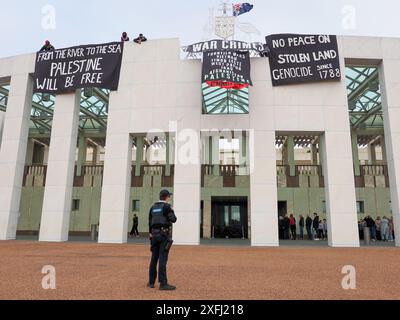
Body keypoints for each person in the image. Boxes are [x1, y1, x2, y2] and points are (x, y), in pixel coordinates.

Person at [148, 189, 177, 291]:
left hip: (154, 236)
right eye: (169, 196)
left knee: (153, 259)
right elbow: (174, 219)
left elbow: (149, 223)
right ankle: (163, 284)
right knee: (163, 259)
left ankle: (151, 282)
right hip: (163, 235)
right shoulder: (167, 206)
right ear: (167, 197)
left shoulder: (153, 207)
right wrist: (171, 210)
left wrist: (151, 236)